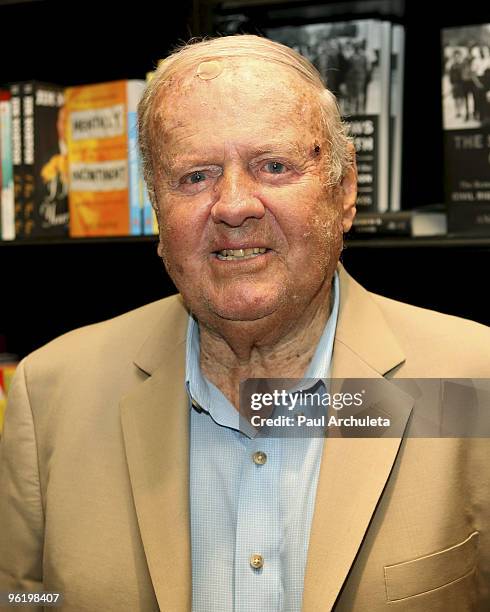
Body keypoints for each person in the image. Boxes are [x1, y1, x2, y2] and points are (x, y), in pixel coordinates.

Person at [0, 34, 489, 612]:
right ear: (157, 209)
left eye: (274, 166)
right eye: (195, 176)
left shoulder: (472, 383)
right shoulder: (51, 394)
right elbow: (27, 600)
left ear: (344, 192)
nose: (234, 206)